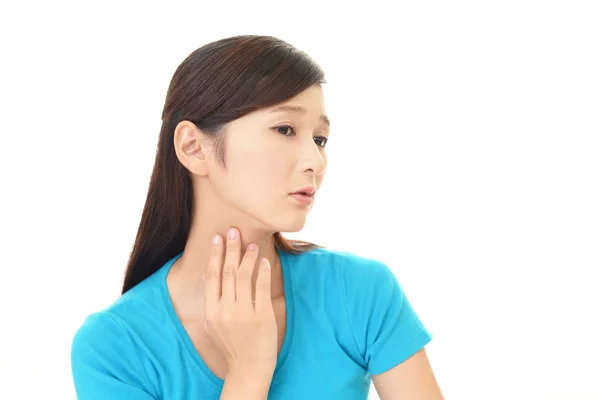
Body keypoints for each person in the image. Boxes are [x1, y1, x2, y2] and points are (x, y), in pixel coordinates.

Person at [70, 34, 444, 400]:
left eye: (320, 139)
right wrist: (249, 372)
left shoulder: (360, 292)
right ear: (193, 147)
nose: (316, 161)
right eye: (285, 129)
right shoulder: (113, 346)